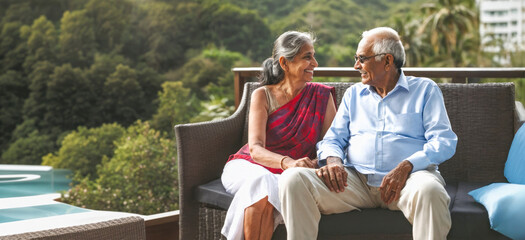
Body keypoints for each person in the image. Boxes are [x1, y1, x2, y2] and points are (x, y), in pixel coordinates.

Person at [278, 27, 458, 240]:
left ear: (387, 61)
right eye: (356, 58)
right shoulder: (353, 94)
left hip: (408, 181)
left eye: (362, 59)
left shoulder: (425, 90)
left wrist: (406, 166)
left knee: (431, 191)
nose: (356, 66)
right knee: (293, 179)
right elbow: (333, 139)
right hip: (356, 182)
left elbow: (444, 141)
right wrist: (334, 161)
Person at [221, 31, 337, 240]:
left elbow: (331, 144)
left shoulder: (321, 96)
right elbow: (255, 149)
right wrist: (289, 163)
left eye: (314, 56)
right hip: (248, 166)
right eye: (307, 57)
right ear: (285, 62)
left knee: (265, 188)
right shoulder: (262, 95)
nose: (316, 63)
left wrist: (310, 164)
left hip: (291, 174)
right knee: (263, 181)